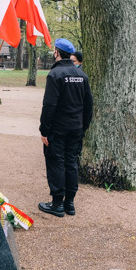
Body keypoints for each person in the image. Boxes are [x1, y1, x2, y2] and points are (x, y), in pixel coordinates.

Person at [39, 38, 93, 217]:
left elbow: (49, 105)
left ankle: (57, 204)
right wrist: (84, 126)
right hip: (76, 128)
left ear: (56, 52)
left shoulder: (55, 75)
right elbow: (88, 104)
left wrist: (44, 130)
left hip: (58, 129)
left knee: (56, 162)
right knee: (71, 162)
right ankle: (70, 203)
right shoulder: (81, 75)